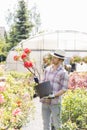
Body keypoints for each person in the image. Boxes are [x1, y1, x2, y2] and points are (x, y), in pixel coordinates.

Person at [40, 49, 69, 130]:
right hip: (45, 101)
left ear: (60, 60)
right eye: (53, 57)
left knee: (56, 124)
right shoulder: (47, 69)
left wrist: (53, 95)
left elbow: (64, 89)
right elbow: (43, 81)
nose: (53, 58)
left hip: (55, 102)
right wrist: (39, 86)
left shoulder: (63, 73)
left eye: (55, 57)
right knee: (45, 124)